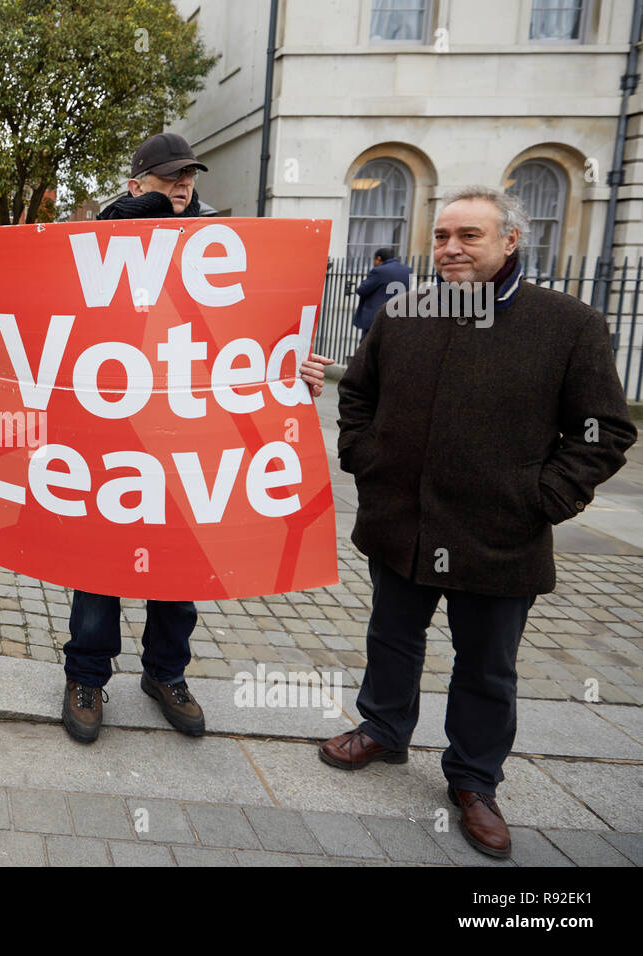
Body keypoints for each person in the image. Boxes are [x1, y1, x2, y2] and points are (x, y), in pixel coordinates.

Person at [322, 187, 637, 859]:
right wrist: (363, 457)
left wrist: (543, 497)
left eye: (469, 235)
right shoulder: (404, 313)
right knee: (393, 636)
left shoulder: (567, 324)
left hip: (500, 535)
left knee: (487, 667)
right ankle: (382, 729)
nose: (451, 249)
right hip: (402, 523)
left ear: (510, 242)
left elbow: (603, 430)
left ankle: (473, 780)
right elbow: (359, 395)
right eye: (441, 237)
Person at [33, 132, 331, 744]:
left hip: (190, 445)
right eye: (169, 176)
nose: (183, 184)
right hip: (108, 440)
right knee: (98, 570)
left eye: (189, 175)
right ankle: (86, 675)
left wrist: (291, 368)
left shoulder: (225, 252)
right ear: (135, 183)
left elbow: (252, 335)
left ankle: (166, 674)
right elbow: (41, 333)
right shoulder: (90, 242)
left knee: (181, 570)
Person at [352, 246, 410, 342]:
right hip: (397, 317)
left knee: (368, 347)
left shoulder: (379, 271)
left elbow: (362, 290)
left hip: (376, 318)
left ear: (378, 259)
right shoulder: (407, 270)